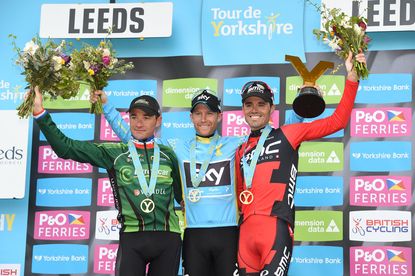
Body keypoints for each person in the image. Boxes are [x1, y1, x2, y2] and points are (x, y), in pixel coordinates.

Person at [92, 88, 303, 276]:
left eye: (210, 113)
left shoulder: (235, 143)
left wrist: (301, 109)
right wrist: (106, 106)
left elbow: (280, 139)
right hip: (194, 235)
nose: (204, 119)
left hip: (228, 234)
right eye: (198, 113)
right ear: (190, 117)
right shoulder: (177, 148)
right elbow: (133, 136)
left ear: (219, 116)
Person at [235, 52, 366, 276]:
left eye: (261, 104)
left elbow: (337, 121)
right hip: (244, 234)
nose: (254, 109)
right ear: (243, 109)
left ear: (272, 109)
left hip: (274, 229)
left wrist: (352, 77)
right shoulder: (240, 149)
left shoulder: (288, 134)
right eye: (249, 104)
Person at [32, 87, 183, 276]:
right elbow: (66, 148)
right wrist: (40, 114)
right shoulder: (115, 153)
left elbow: (182, 196)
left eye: (146, 117)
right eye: (134, 116)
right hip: (132, 239)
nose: (139, 123)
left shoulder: (169, 155)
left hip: (168, 239)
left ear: (158, 120)